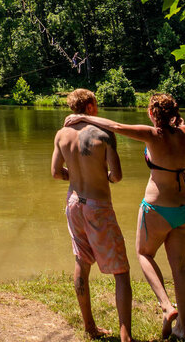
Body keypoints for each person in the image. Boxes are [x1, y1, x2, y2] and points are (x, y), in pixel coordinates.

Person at [67, 92, 185, 340]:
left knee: (144, 254)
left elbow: (114, 126)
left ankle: (167, 306)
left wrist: (82, 117)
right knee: (180, 267)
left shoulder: (151, 134)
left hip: (158, 207)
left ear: (151, 114)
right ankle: (182, 329)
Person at [53, 89, 134, 342]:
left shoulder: (62, 134)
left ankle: (89, 327)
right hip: (98, 205)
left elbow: (56, 172)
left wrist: (75, 176)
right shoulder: (105, 134)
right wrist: (104, 176)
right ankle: (125, 335)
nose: (97, 109)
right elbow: (117, 175)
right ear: (89, 107)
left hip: (74, 202)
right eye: (95, 104)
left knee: (82, 261)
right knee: (121, 271)